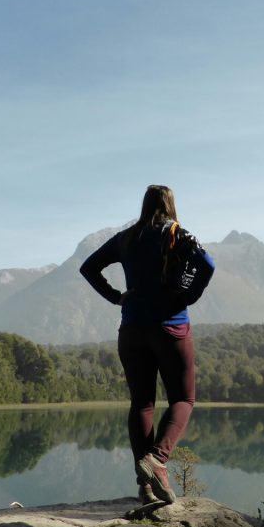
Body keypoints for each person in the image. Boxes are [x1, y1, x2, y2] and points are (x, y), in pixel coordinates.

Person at [79, 184, 215, 505]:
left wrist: (116, 297)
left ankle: (146, 488)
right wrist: (187, 297)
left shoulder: (126, 238)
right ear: (170, 204)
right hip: (170, 327)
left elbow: (88, 268)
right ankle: (157, 459)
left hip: (132, 329)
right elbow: (207, 264)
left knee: (141, 404)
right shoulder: (177, 234)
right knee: (183, 398)